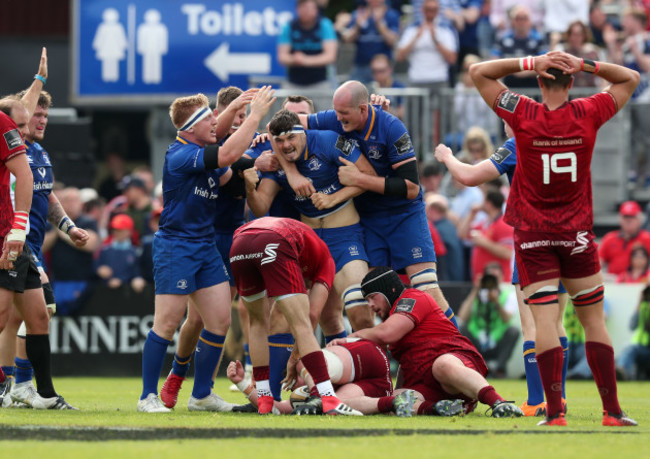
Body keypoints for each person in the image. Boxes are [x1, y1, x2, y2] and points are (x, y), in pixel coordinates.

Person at [470, 49, 640, 426]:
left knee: (545, 322)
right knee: (593, 319)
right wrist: (585, 64)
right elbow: (630, 77)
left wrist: (530, 61)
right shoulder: (588, 112)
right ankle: (612, 411)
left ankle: (555, 412)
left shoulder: (523, 113)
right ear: (572, 83)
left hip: (533, 234)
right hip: (576, 232)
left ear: (539, 82)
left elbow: (479, 72)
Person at [137, 87, 275, 413]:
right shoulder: (182, 154)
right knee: (167, 323)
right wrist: (253, 115)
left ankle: (201, 395)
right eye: (209, 120)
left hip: (205, 246)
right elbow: (227, 156)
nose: (217, 124)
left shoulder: (202, 148)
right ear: (192, 126)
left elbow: (227, 162)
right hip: (177, 246)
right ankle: (147, 397)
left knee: (219, 321)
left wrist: (246, 135)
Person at [287, 80, 458, 329]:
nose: (338, 118)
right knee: (380, 298)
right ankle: (399, 359)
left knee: (426, 289)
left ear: (363, 109)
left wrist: (359, 179)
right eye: (336, 112)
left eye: (343, 113)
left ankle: (459, 348)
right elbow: (283, 127)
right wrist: (289, 169)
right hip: (368, 219)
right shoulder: (336, 118)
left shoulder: (391, 128)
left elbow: (410, 188)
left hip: (403, 215)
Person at [434, 130, 570, 417]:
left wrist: (447, 157)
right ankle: (560, 398)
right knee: (557, 324)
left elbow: (470, 176)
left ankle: (536, 401)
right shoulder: (563, 138)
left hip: (532, 237)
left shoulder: (517, 144)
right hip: (565, 233)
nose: (506, 128)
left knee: (532, 326)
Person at [245, 109, 375, 333]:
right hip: (310, 244)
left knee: (359, 309)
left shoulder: (328, 141)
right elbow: (261, 206)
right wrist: (248, 186)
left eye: (291, 137)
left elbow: (370, 177)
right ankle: (304, 367)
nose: (286, 145)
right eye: (280, 140)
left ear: (303, 132)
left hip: (345, 237)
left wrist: (333, 198)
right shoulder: (275, 161)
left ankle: (372, 367)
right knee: (305, 317)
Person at [330, 267, 523, 417]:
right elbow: (406, 363)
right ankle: (437, 409)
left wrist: (348, 339)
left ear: (388, 289)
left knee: (442, 365)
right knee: (395, 401)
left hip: (456, 365)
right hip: (431, 387)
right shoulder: (394, 318)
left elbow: (387, 334)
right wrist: (397, 394)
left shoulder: (412, 297)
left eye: (372, 297)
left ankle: (499, 402)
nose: (370, 306)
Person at [229, 216, 362, 416]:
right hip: (275, 239)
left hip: (239, 242)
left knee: (257, 322)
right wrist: (293, 360)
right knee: (302, 325)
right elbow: (311, 316)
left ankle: (264, 398)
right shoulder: (326, 261)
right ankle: (328, 398)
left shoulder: (307, 252)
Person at [227, 337, 400, 415]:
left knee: (307, 360)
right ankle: (394, 403)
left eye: (292, 382)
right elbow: (277, 409)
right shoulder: (303, 394)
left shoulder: (304, 365)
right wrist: (242, 384)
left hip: (370, 356)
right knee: (336, 405)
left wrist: (294, 360)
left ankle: (320, 396)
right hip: (378, 387)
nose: (294, 388)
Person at [457, 262, 519, 377]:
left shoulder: (508, 296)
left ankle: (500, 370)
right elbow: (462, 316)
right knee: (462, 328)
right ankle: (473, 366)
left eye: (495, 278)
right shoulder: (477, 295)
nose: (492, 281)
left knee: (513, 331)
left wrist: (496, 301)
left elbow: (507, 320)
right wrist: (476, 290)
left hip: (497, 341)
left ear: (501, 278)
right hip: (477, 341)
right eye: (489, 278)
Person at [396, 0, 457, 116]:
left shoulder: (446, 30)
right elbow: (399, 56)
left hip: (439, 79)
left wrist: (436, 41)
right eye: (428, 9)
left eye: (434, 10)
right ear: (422, 10)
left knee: (443, 120)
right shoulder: (412, 29)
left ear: (438, 11)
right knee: (413, 119)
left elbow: (452, 59)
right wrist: (415, 38)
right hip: (417, 79)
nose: (431, 13)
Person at [277, 0, 338, 110]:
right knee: (286, 118)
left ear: (316, 10)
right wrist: (294, 59)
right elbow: (282, 57)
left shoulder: (324, 25)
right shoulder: (289, 26)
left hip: (320, 83)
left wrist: (304, 60)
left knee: (325, 118)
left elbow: (330, 56)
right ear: (297, 9)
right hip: (293, 83)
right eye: (303, 8)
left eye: (309, 8)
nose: (306, 12)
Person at [457, 188, 513, 282]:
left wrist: (484, 243)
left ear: (489, 204)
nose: (480, 204)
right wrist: (472, 213)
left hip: (499, 283)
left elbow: (508, 253)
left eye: (483, 200)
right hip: (482, 281)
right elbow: (462, 234)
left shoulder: (503, 224)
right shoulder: (485, 223)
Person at [340, 0, 401, 83]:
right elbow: (347, 39)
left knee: (384, 95)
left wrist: (379, 23)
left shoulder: (391, 15)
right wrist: (357, 26)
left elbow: (392, 41)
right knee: (356, 93)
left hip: (382, 68)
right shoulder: (358, 14)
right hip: (361, 66)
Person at [490, 6, 546, 88]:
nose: (521, 22)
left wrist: (524, 72)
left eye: (524, 18)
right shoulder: (502, 38)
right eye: (518, 19)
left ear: (530, 21)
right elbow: (493, 61)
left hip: (532, 87)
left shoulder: (539, 39)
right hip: (508, 87)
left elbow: (545, 64)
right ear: (512, 21)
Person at [599, 200, 650, 280]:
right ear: (620, 219)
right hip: (614, 282)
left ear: (639, 219)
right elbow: (598, 264)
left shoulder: (647, 238)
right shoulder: (609, 238)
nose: (628, 220)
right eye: (625, 217)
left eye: (632, 217)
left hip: (639, 282)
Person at [95, 214, 145, 292]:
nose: (117, 232)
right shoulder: (104, 250)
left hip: (127, 294)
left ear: (129, 231)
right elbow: (96, 266)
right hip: (106, 293)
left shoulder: (135, 252)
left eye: (120, 230)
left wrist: (136, 279)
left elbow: (136, 272)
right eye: (115, 230)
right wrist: (99, 269)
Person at [616, 285, 650, 381]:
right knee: (629, 348)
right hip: (644, 348)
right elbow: (632, 326)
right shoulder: (643, 308)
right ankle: (621, 371)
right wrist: (639, 304)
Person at [369, 54, 406, 120]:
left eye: (381, 71)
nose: (378, 75)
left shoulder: (399, 87)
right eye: (374, 71)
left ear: (390, 70)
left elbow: (402, 113)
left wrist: (385, 109)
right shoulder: (370, 88)